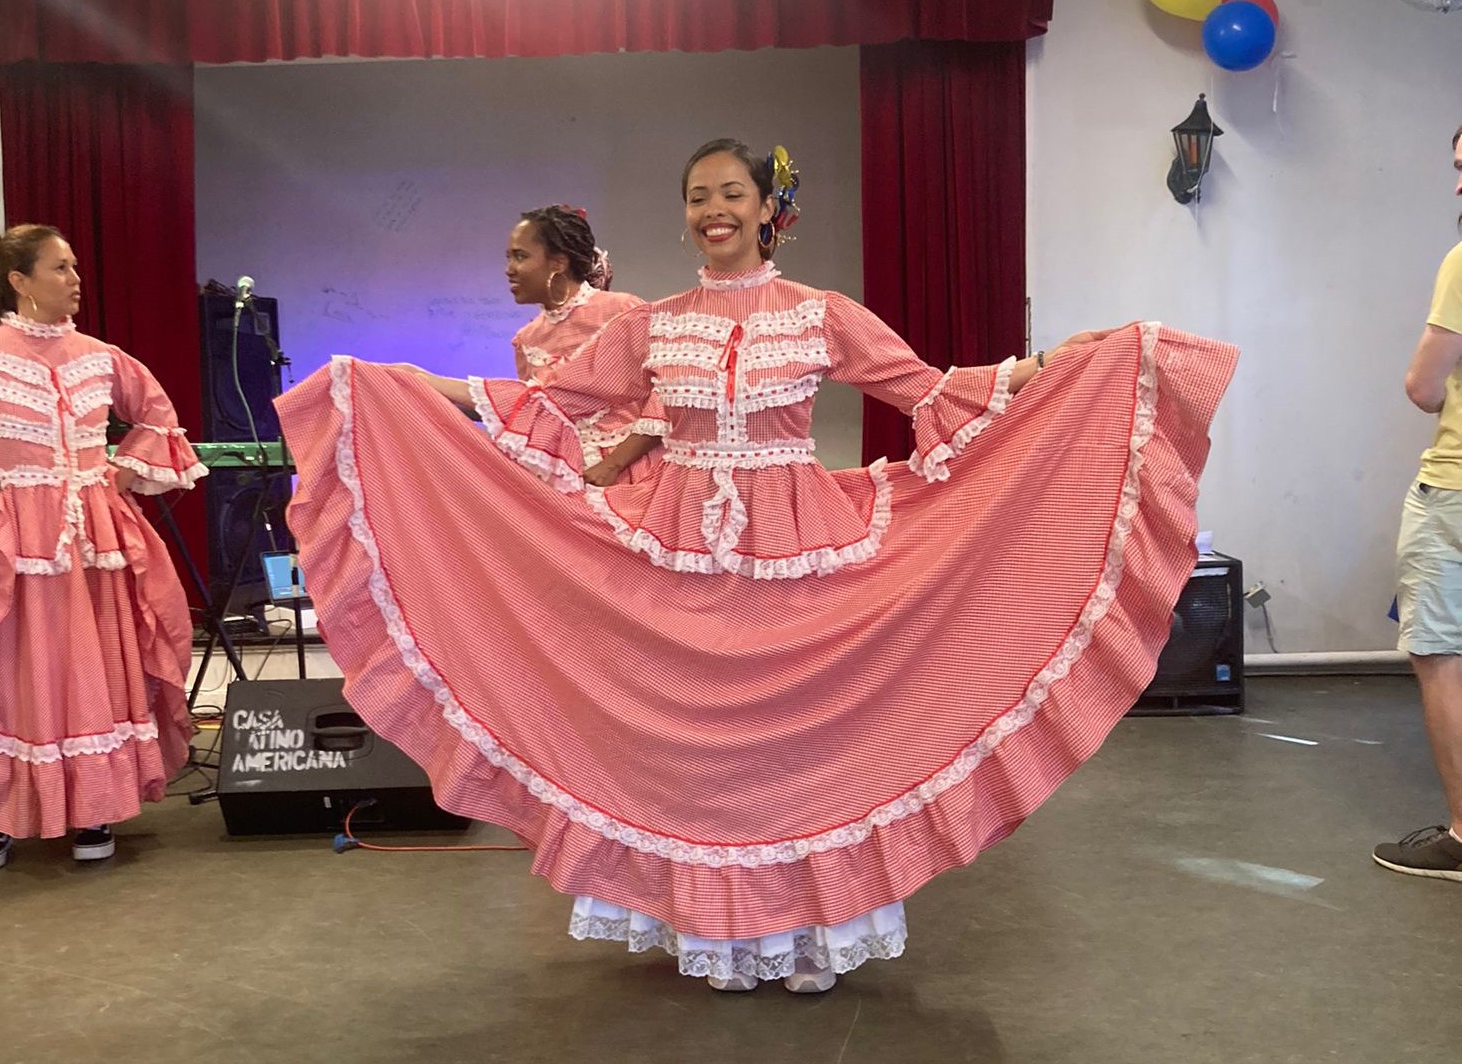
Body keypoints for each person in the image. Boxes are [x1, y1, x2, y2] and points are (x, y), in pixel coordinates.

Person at [276, 139, 1237, 992]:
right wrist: (404, 386)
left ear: (769, 208)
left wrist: (1051, 367)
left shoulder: (822, 314)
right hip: (678, 539)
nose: (713, 211)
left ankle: (813, 928)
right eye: (698, 196)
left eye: (731, 192)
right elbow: (546, 404)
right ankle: (713, 931)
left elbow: (931, 392)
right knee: (688, 738)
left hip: (800, 538)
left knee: (804, 736)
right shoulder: (652, 325)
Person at [0, 224, 204, 870]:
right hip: (5, 539)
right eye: (59, 268)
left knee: (91, 665)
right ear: (18, 282)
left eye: (76, 265)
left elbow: (158, 416)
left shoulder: (101, 356)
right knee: (10, 670)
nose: (75, 278)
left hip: (89, 538)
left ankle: (93, 805)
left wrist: (121, 470)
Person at [1374, 124, 1462, 882]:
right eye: (1457, 168)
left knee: (1441, 654)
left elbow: (1423, 386)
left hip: (1455, 490)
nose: (1461, 185)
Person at [505, 204, 663, 486]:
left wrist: (614, 463)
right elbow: (537, 413)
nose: (510, 270)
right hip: (564, 477)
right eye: (509, 257)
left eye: (520, 256)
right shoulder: (526, 339)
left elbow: (666, 395)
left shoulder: (624, 311)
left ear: (559, 263)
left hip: (634, 475)